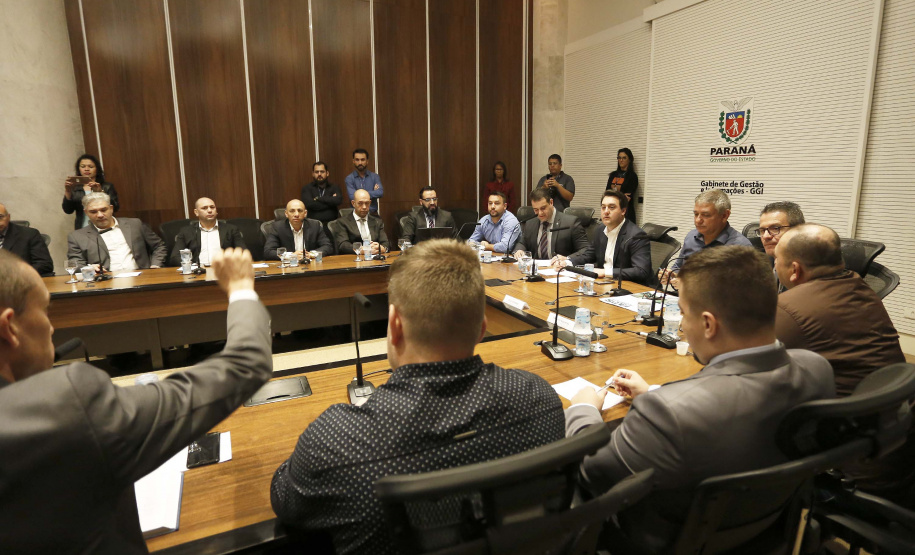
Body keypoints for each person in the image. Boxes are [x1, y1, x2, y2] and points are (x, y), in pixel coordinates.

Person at [270, 239, 565, 554]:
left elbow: (285, 499)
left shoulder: (336, 441)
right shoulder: (539, 399)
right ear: (482, 328)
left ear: (394, 324)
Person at [0, 247, 272, 553]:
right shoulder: (66, 405)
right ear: (10, 327)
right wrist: (240, 288)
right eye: (45, 310)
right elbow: (245, 364)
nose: (51, 327)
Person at [566, 246, 834, 547]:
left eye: (682, 312)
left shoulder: (669, 411)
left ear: (708, 324)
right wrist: (651, 393)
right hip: (768, 530)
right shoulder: (817, 369)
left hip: (662, 540)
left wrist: (584, 409)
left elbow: (592, 472)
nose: (680, 325)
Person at [773, 224, 904, 396]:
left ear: (795, 270)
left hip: (843, 413)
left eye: (776, 259)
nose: (774, 263)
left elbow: (754, 361)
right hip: (895, 400)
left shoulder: (786, 307)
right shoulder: (859, 285)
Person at [552, 190, 652, 284]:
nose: (606, 211)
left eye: (611, 207)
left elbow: (641, 271)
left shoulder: (636, 236)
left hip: (631, 287)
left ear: (623, 211)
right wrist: (566, 263)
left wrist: (605, 272)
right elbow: (589, 255)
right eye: (603, 207)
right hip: (604, 283)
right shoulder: (600, 229)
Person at [661, 189, 752, 284]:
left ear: (725, 215)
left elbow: (741, 289)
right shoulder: (691, 236)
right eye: (696, 214)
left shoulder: (741, 247)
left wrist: (689, 284)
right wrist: (672, 275)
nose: (698, 220)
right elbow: (678, 267)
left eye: (705, 215)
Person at [66, 192, 166, 271]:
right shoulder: (77, 237)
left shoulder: (135, 224)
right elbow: (75, 263)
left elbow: (159, 246)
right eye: (93, 212)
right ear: (86, 212)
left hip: (142, 277)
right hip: (105, 283)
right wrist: (88, 268)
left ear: (111, 209)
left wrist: (155, 265)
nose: (100, 215)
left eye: (103, 210)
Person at [512, 187, 588, 260]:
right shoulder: (530, 224)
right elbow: (522, 243)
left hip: (560, 269)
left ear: (551, 202)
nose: (540, 213)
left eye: (543, 208)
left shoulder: (571, 223)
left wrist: (567, 259)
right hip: (536, 269)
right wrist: (519, 250)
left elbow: (585, 250)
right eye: (536, 210)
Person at [168, 197, 246, 267]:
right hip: (197, 272)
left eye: (212, 207)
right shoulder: (186, 231)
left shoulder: (231, 229)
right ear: (196, 212)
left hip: (224, 270)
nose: (209, 210)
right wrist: (192, 266)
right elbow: (175, 257)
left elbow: (243, 253)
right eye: (204, 208)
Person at [62, 154, 120, 230]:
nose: (86, 169)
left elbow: (115, 208)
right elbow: (68, 210)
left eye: (90, 167)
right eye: (83, 166)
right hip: (84, 227)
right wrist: (68, 191)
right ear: (79, 169)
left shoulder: (107, 186)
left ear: (97, 169)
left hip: (105, 225)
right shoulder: (75, 188)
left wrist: (100, 192)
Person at [264, 199, 333, 262]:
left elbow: (327, 246)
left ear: (305, 213)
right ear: (286, 214)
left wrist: (311, 254)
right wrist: (292, 256)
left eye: (300, 211)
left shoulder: (315, 225)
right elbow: (268, 251)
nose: (296, 214)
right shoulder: (277, 227)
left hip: (310, 265)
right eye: (292, 211)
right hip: (289, 267)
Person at [0, 203, 53, 277]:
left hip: (20, 282)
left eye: (0, 217)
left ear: (8, 217)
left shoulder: (29, 235)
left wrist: (17, 273)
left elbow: (45, 265)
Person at [331, 189, 390, 256]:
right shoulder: (342, 222)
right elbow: (343, 245)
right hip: (353, 260)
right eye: (360, 203)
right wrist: (361, 250)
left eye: (367, 203)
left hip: (375, 258)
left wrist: (382, 248)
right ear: (353, 203)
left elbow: (386, 243)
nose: (364, 207)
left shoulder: (377, 221)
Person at [301, 161, 343, 243]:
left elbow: (338, 200)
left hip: (331, 225)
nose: (319, 174)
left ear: (327, 173)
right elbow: (309, 204)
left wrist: (318, 199)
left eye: (322, 172)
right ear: (313, 174)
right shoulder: (307, 188)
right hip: (313, 226)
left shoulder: (334, 187)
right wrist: (330, 201)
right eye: (317, 172)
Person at [344, 148, 383, 215]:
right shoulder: (349, 178)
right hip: (356, 215)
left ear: (367, 161)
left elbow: (380, 192)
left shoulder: (375, 177)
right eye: (357, 160)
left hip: (372, 214)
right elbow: (352, 196)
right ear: (353, 161)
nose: (360, 163)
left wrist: (358, 194)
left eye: (362, 160)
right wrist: (373, 192)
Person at [606, 148, 639, 224]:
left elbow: (626, 198)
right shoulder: (613, 175)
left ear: (629, 160)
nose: (621, 160)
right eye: (619, 158)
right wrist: (621, 195)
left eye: (624, 158)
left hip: (625, 214)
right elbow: (607, 193)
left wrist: (613, 195)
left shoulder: (632, 176)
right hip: (611, 212)